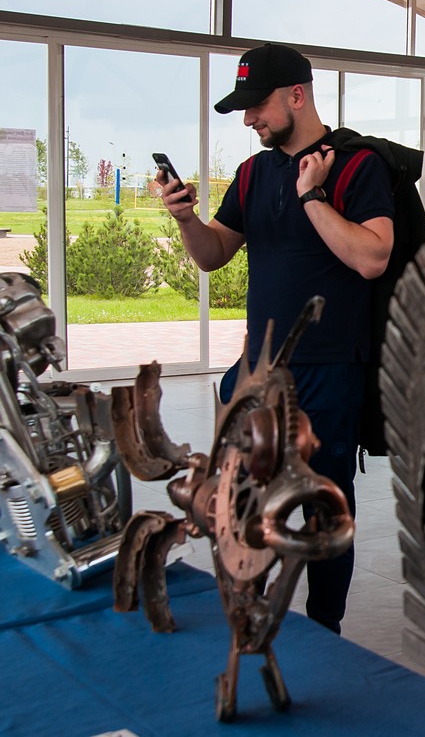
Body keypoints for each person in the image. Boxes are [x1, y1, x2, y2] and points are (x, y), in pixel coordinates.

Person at [156, 43, 395, 633]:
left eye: (257, 105)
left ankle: (325, 629)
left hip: (329, 368)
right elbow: (213, 255)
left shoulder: (358, 165)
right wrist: (186, 218)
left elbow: (372, 258)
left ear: (297, 95)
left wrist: (313, 195)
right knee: (243, 502)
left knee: (324, 507)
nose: (249, 120)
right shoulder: (252, 172)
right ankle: (249, 616)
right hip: (256, 372)